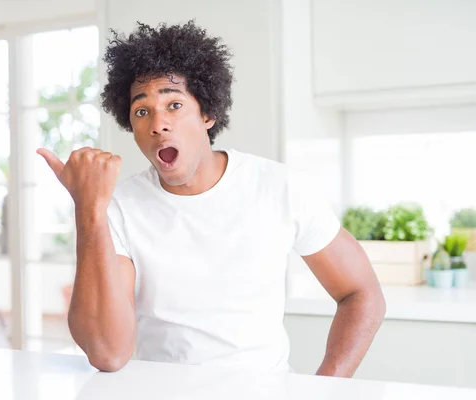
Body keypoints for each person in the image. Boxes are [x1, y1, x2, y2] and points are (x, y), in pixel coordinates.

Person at [37, 21, 386, 374]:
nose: (158, 124)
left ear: (207, 113)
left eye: (174, 105)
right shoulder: (118, 207)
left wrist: (323, 392)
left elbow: (361, 294)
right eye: (142, 111)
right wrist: (88, 209)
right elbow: (108, 353)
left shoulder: (281, 188)